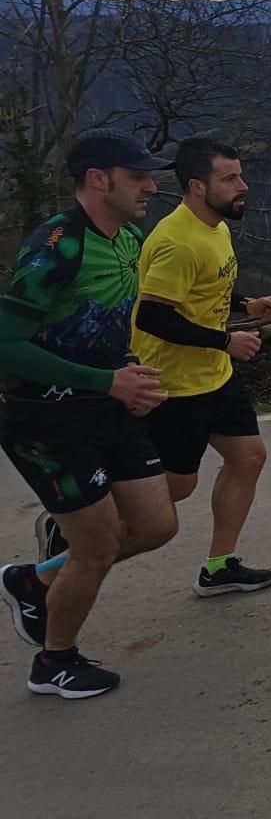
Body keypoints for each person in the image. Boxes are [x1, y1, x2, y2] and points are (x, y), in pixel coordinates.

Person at [0, 128, 177, 698]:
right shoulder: (58, 244)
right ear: (98, 179)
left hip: (106, 402)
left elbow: (104, 316)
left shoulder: (128, 235)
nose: (151, 186)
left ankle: (35, 580)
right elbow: (6, 343)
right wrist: (107, 379)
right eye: (138, 176)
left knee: (155, 525)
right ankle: (55, 663)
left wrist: (126, 372)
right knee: (98, 545)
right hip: (41, 417)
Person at [124, 136, 271, 595]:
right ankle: (76, 521)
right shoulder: (176, 242)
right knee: (175, 487)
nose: (242, 186)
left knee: (248, 457)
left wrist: (246, 304)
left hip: (214, 374)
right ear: (196, 186)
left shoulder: (214, 227)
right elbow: (153, 315)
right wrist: (226, 340)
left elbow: (208, 285)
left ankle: (218, 567)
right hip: (174, 383)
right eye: (229, 179)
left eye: (240, 175)